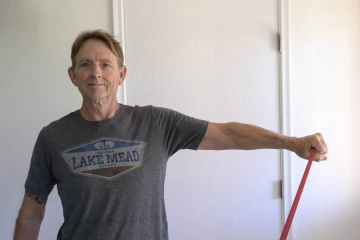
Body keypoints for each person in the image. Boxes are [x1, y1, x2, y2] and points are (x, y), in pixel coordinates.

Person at [13, 29, 328, 240]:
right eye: (85, 64)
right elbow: (31, 211)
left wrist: (291, 143)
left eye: (105, 65)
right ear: (73, 76)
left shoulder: (156, 123)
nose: (96, 72)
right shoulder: (52, 137)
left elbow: (229, 134)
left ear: (121, 75)